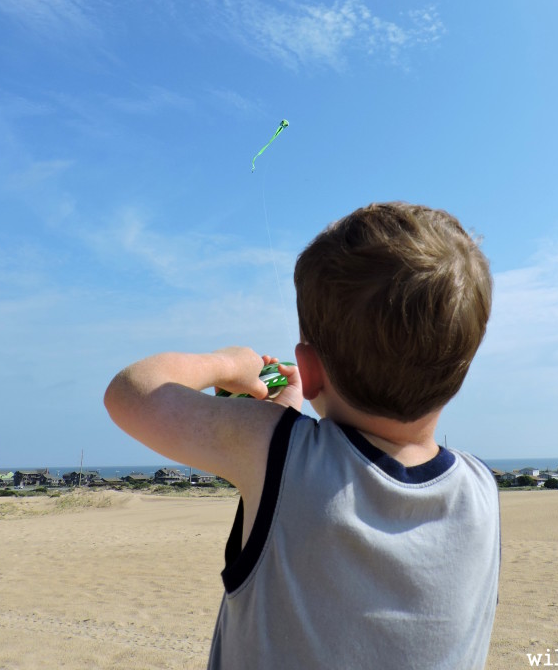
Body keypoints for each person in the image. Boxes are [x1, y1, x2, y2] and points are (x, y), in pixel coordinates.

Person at [104, 201, 500, 669]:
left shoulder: (273, 451)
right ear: (458, 373)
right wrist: (287, 415)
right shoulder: (482, 492)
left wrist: (229, 362)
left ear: (308, 371)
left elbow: (130, 392)